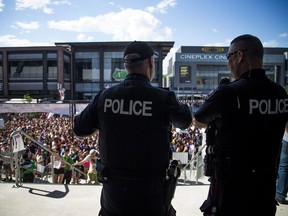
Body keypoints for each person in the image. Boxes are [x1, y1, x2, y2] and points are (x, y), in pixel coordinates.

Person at [73, 41, 192, 216]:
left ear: (126, 65)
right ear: (151, 63)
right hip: (151, 193)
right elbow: (185, 121)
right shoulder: (162, 98)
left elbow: (79, 128)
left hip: (113, 194)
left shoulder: (105, 96)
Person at [193, 34, 288, 216]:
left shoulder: (229, 93)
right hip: (265, 189)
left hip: (231, 191)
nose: (228, 63)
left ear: (240, 56)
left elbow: (198, 119)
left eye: (228, 56)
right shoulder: (280, 93)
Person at [275, 121, 288, 204]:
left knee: (283, 166)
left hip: (286, 138)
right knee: (284, 166)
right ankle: (280, 194)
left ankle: (280, 194)